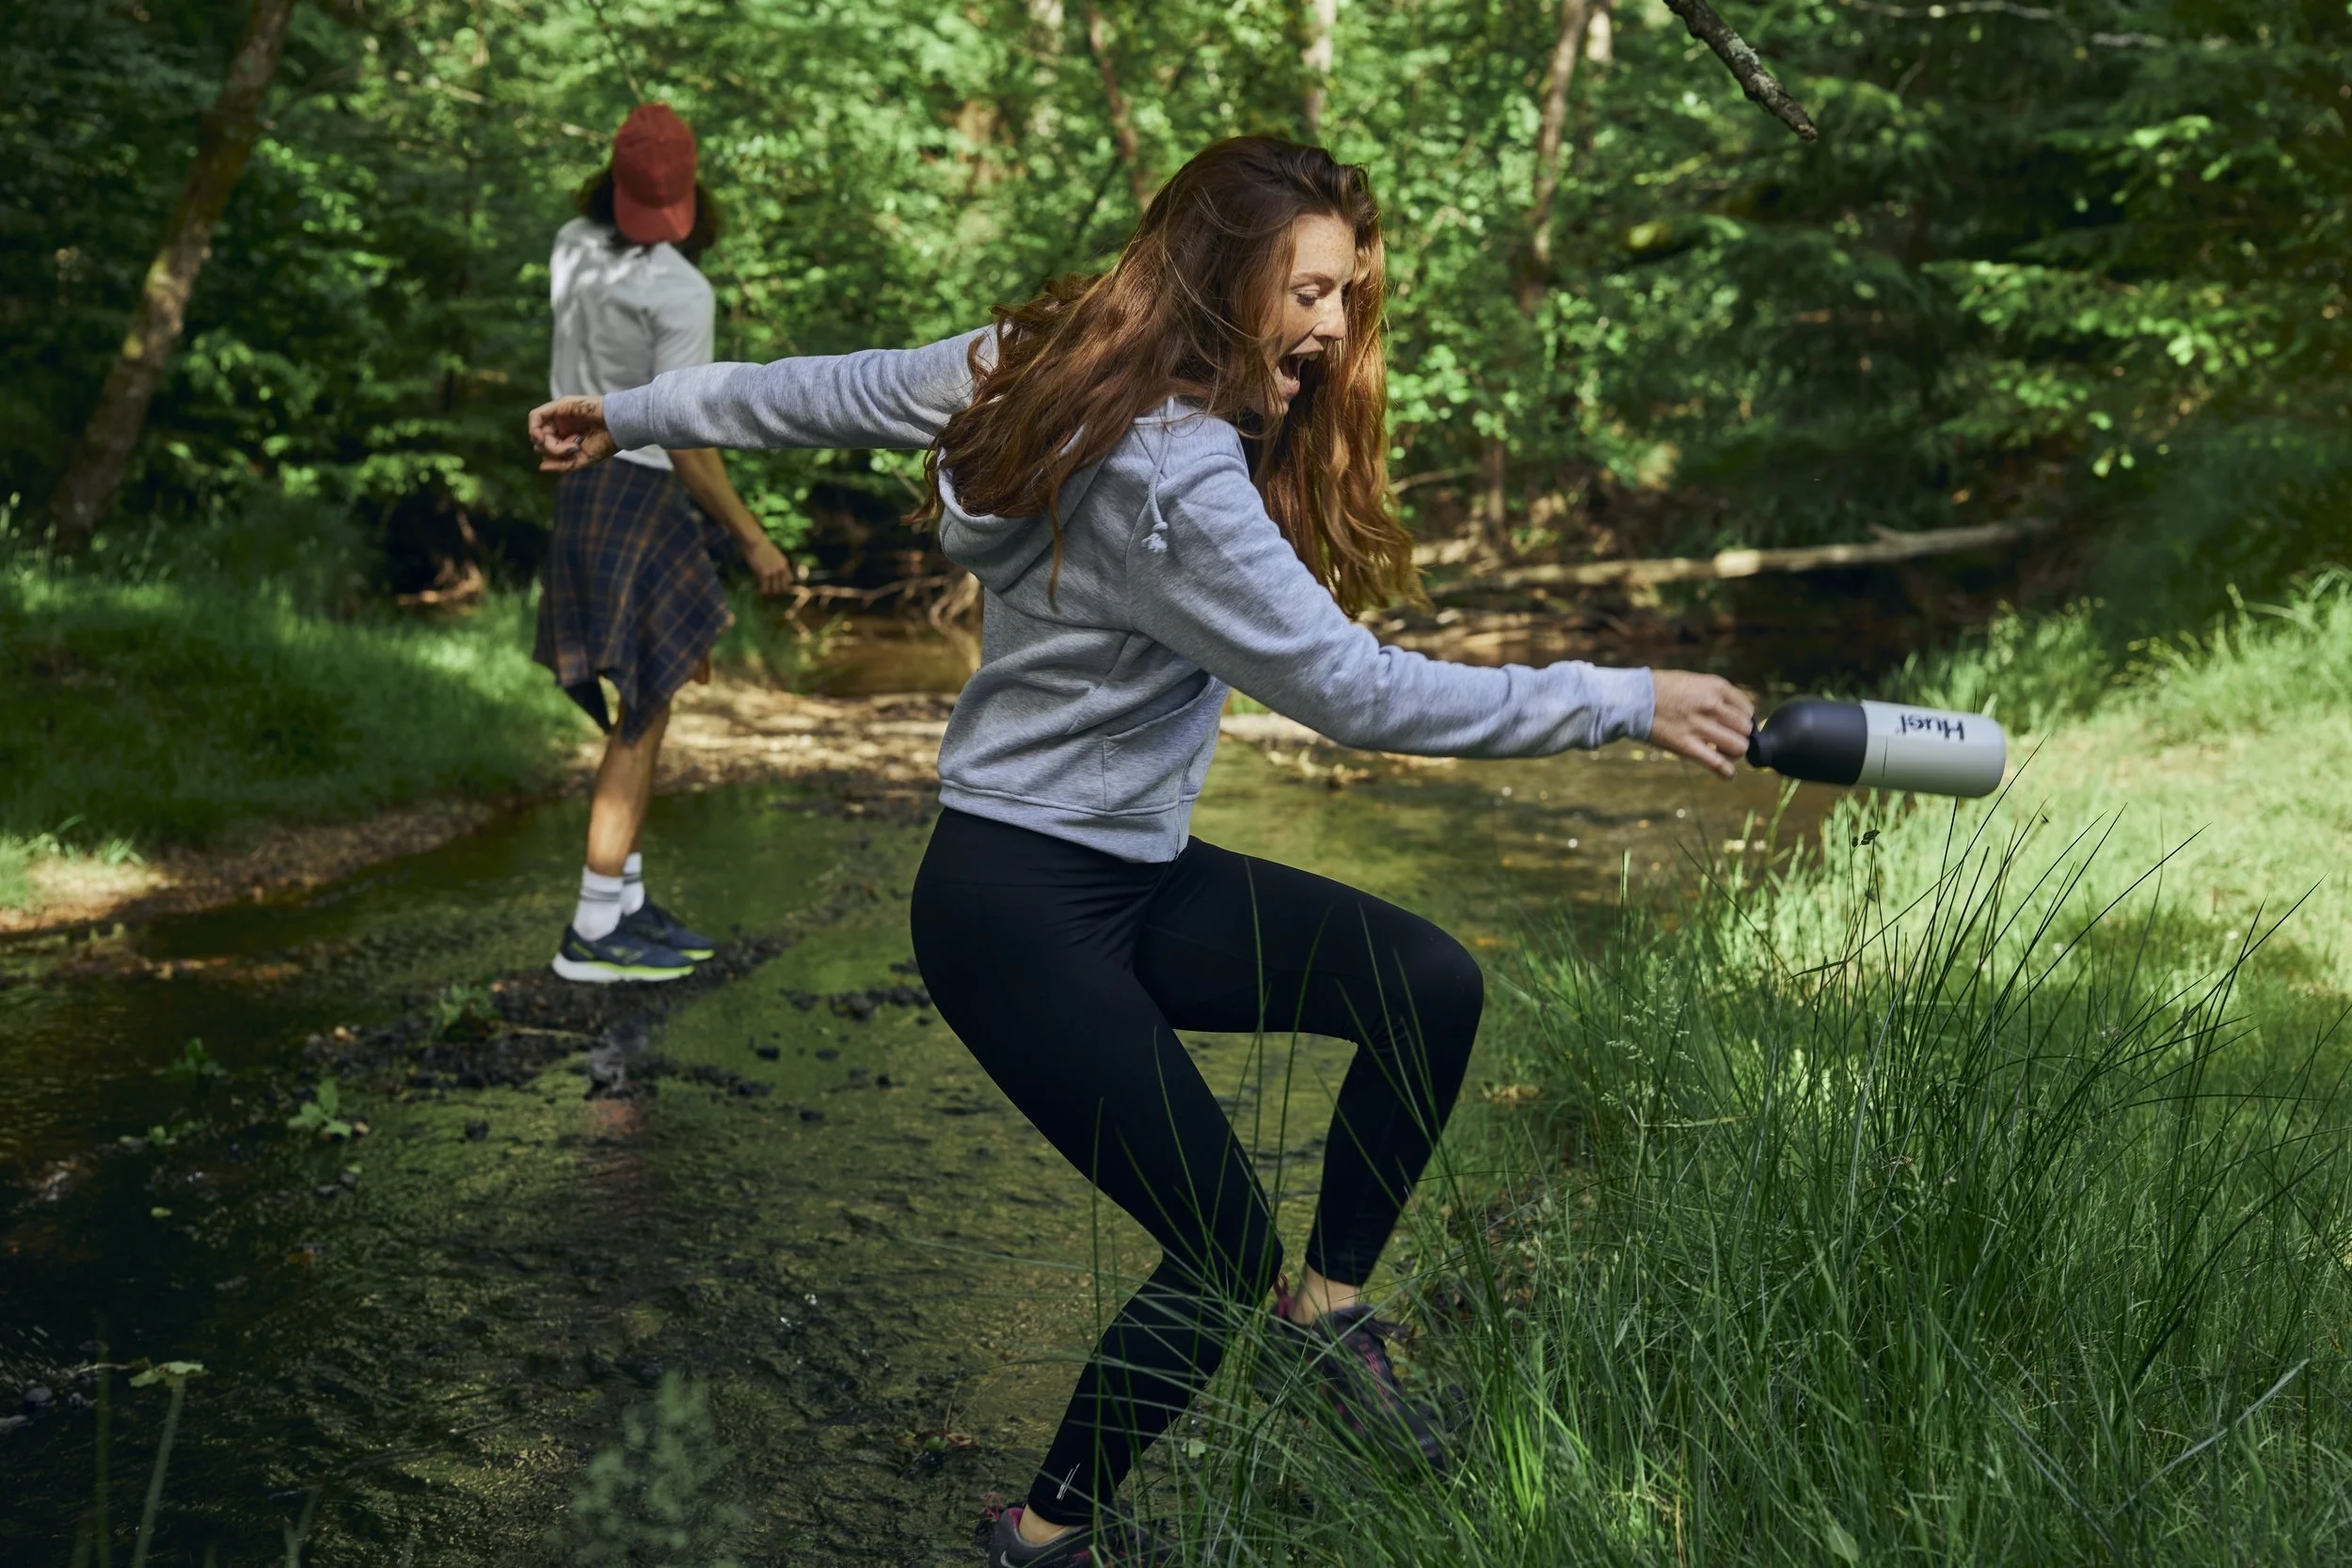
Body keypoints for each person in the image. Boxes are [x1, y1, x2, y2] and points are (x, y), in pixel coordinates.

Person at [531, 137, 1754, 1563]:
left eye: (1349, 294)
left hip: (1129, 875)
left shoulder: (1043, 356)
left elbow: (812, 391)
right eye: (1309, 289)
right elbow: (1360, 693)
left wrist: (623, 409)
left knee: (1425, 981)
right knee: (1220, 1249)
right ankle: (1044, 1536)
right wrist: (1626, 697)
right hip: (1015, 908)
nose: (1334, 328)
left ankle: (1332, 1310)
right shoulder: (1172, 475)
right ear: (1225, 271)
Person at [538, 103, 794, 984]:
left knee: (651, 700)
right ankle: (590, 931)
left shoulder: (572, 241)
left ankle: (626, 902)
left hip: (579, 489)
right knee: (641, 718)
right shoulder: (683, 292)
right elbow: (685, 438)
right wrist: (753, 539)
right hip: (639, 491)